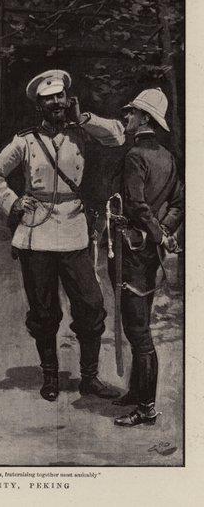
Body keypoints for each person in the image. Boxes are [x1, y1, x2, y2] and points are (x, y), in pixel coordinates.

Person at [0, 70, 125, 403]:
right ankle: (50, 376)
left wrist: (84, 118)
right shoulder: (26, 141)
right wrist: (13, 202)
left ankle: (89, 378)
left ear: (68, 100)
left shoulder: (82, 133)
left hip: (73, 231)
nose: (56, 103)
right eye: (49, 99)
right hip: (37, 233)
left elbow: (117, 137)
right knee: (44, 311)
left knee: (91, 306)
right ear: (40, 105)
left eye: (60, 96)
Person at [108, 88, 182, 427]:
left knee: (137, 330)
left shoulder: (135, 155)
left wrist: (156, 233)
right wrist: (164, 231)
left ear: (144, 119)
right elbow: (178, 205)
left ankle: (147, 408)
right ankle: (138, 392)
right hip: (149, 254)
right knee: (140, 324)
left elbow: (137, 205)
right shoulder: (168, 157)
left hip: (132, 251)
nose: (126, 116)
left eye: (132, 112)